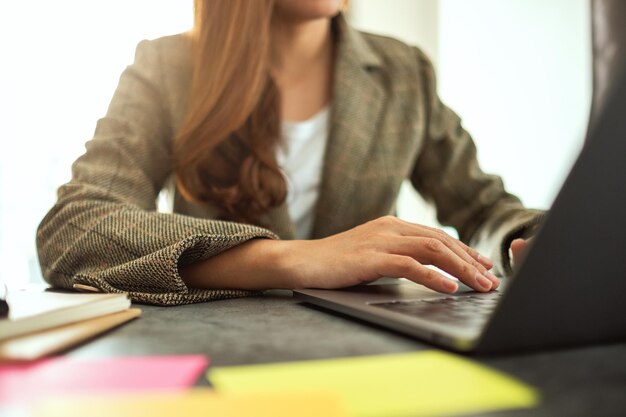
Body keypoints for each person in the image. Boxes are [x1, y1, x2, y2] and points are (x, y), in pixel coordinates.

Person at [36, 0, 542, 306]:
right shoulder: (167, 67)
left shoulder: (404, 71)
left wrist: (537, 239)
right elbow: (73, 228)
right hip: (221, 356)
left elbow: (484, 209)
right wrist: (295, 259)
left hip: (368, 355)